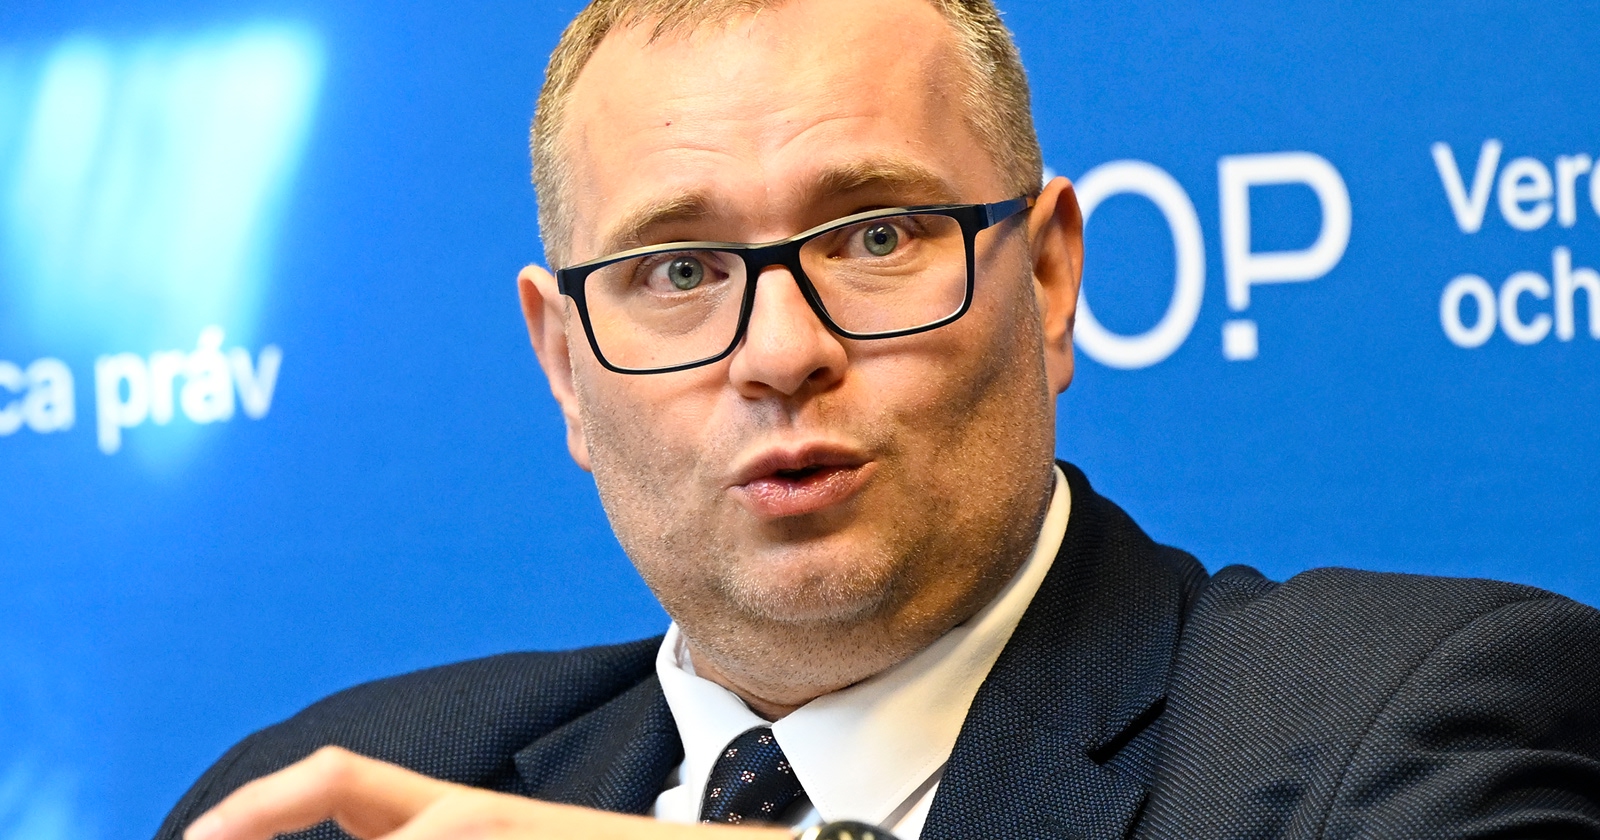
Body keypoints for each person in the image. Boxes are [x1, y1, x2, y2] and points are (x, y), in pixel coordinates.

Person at [156, 0, 1600, 838]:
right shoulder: (354, 801)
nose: (781, 351)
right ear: (564, 364)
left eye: (876, 238)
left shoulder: (1404, 729)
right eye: (679, 271)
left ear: (1049, 279)